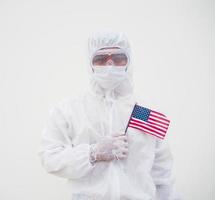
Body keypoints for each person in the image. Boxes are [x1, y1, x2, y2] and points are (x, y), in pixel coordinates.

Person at [38, 32, 181, 200]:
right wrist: (92, 153)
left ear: (129, 62)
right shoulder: (69, 110)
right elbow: (49, 157)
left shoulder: (144, 112)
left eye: (119, 57)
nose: (110, 64)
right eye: (100, 58)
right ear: (90, 63)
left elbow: (162, 175)